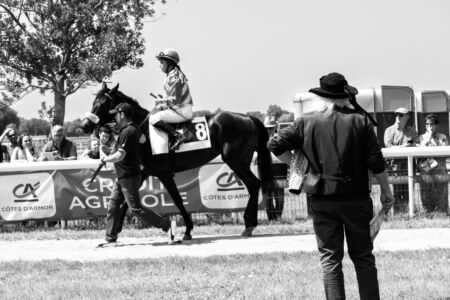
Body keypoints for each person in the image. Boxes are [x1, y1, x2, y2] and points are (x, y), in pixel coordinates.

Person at [267, 72, 394, 300]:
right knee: (364, 257)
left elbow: (274, 143)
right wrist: (386, 190)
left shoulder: (305, 121)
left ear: (322, 97)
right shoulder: (360, 120)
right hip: (357, 200)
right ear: (345, 96)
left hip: (322, 199)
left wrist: (300, 167)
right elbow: (376, 161)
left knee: (330, 261)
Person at [101, 102, 174, 244]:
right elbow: (143, 139)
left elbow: (119, 156)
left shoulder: (128, 131)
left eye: (116, 114)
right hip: (123, 175)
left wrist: (106, 158)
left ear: (122, 115)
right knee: (113, 205)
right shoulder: (133, 129)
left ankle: (166, 225)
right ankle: (110, 238)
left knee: (135, 209)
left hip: (128, 176)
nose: (115, 117)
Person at [150, 48, 194, 151]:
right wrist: (163, 101)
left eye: (162, 62)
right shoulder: (172, 75)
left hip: (182, 111)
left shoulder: (174, 76)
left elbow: (175, 100)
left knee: (153, 118)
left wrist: (160, 101)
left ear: (169, 63)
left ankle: (177, 136)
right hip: (179, 109)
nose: (159, 65)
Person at [383, 107, 418, 213]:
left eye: (401, 115)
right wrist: (405, 147)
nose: (398, 117)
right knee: (397, 192)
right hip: (395, 169)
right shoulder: (389, 130)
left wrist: (409, 146)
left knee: (408, 192)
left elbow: (417, 144)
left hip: (410, 167)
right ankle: (398, 214)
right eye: (396, 115)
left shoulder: (412, 131)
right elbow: (388, 147)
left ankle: (407, 213)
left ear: (407, 117)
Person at [418, 114, 449, 213]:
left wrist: (434, 140)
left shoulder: (442, 137)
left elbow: (444, 151)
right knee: (426, 194)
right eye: (427, 124)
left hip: (439, 170)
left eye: (431, 124)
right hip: (427, 170)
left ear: (436, 125)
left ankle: (442, 212)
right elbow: (420, 152)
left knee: (441, 194)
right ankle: (427, 213)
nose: (429, 126)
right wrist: (428, 138)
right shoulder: (421, 138)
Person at [264, 115, 285, 221]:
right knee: (267, 199)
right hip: (266, 174)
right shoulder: (261, 141)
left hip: (280, 173)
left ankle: (278, 217)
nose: (269, 130)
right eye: (267, 128)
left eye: (271, 128)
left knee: (280, 198)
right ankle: (271, 219)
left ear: (275, 128)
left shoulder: (280, 139)